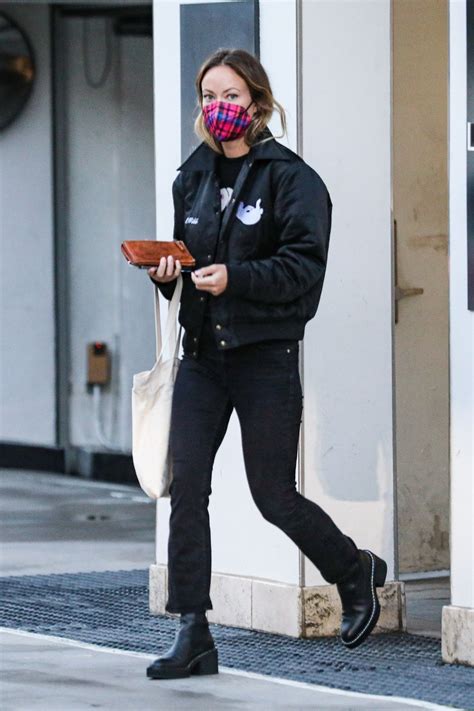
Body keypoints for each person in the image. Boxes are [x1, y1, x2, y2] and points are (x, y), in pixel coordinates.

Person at [145, 48, 387, 680]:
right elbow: (185, 270)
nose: (216, 108)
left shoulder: (292, 179)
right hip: (200, 358)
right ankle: (193, 629)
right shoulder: (191, 177)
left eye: (228, 96)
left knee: (272, 495)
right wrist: (168, 275)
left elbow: (305, 269)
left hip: (263, 360)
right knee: (187, 489)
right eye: (207, 97)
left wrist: (237, 280)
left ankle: (352, 572)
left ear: (256, 100)